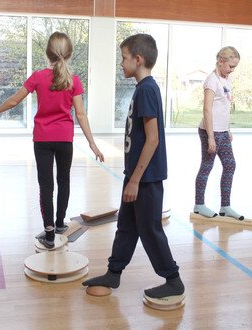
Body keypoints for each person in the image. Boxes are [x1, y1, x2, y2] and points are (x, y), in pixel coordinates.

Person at [82, 34, 184, 300]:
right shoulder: (142, 88)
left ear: (138, 60)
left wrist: (136, 180)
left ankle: (173, 280)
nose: (121, 63)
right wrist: (130, 177)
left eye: (124, 58)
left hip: (146, 178)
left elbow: (153, 139)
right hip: (136, 176)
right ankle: (113, 273)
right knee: (126, 226)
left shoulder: (147, 89)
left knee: (149, 228)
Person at [0, 31, 104, 248]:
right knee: (64, 180)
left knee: (46, 185)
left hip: (42, 139)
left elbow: (13, 101)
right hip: (64, 140)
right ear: (70, 55)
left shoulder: (38, 77)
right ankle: (59, 224)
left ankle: (49, 233)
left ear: (47, 53)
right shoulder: (73, 80)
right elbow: (81, 114)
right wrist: (92, 143)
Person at [194, 46, 244, 220]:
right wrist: (211, 137)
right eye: (231, 66)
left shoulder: (226, 79)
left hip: (222, 131)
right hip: (210, 131)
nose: (232, 70)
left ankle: (225, 206)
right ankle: (199, 205)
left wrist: (228, 129)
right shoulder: (212, 81)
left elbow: (224, 107)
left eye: (234, 67)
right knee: (207, 166)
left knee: (230, 165)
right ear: (221, 61)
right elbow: (207, 110)